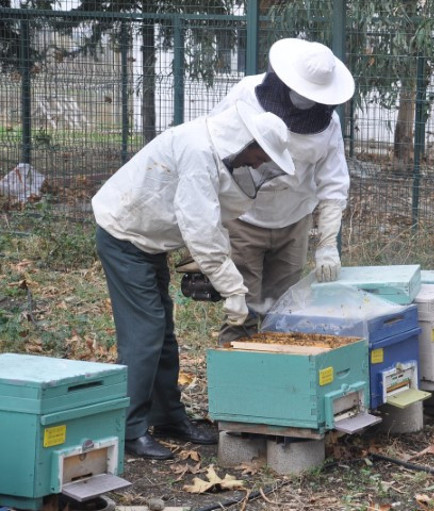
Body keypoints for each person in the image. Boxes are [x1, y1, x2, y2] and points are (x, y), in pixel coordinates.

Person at [92, 101, 294, 460]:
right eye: (261, 156)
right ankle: (129, 431)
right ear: (249, 142)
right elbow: (199, 226)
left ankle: (168, 418)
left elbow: (208, 218)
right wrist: (232, 288)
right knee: (145, 333)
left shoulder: (215, 150)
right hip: (123, 235)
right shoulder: (201, 152)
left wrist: (216, 268)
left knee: (162, 333)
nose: (260, 165)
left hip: (147, 240)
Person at [211, 38, 355, 344]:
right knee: (243, 312)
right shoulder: (245, 94)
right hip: (243, 217)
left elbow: (334, 184)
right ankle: (235, 384)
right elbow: (213, 145)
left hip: (293, 222)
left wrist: (328, 243)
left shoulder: (328, 123)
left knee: (284, 313)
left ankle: (277, 385)